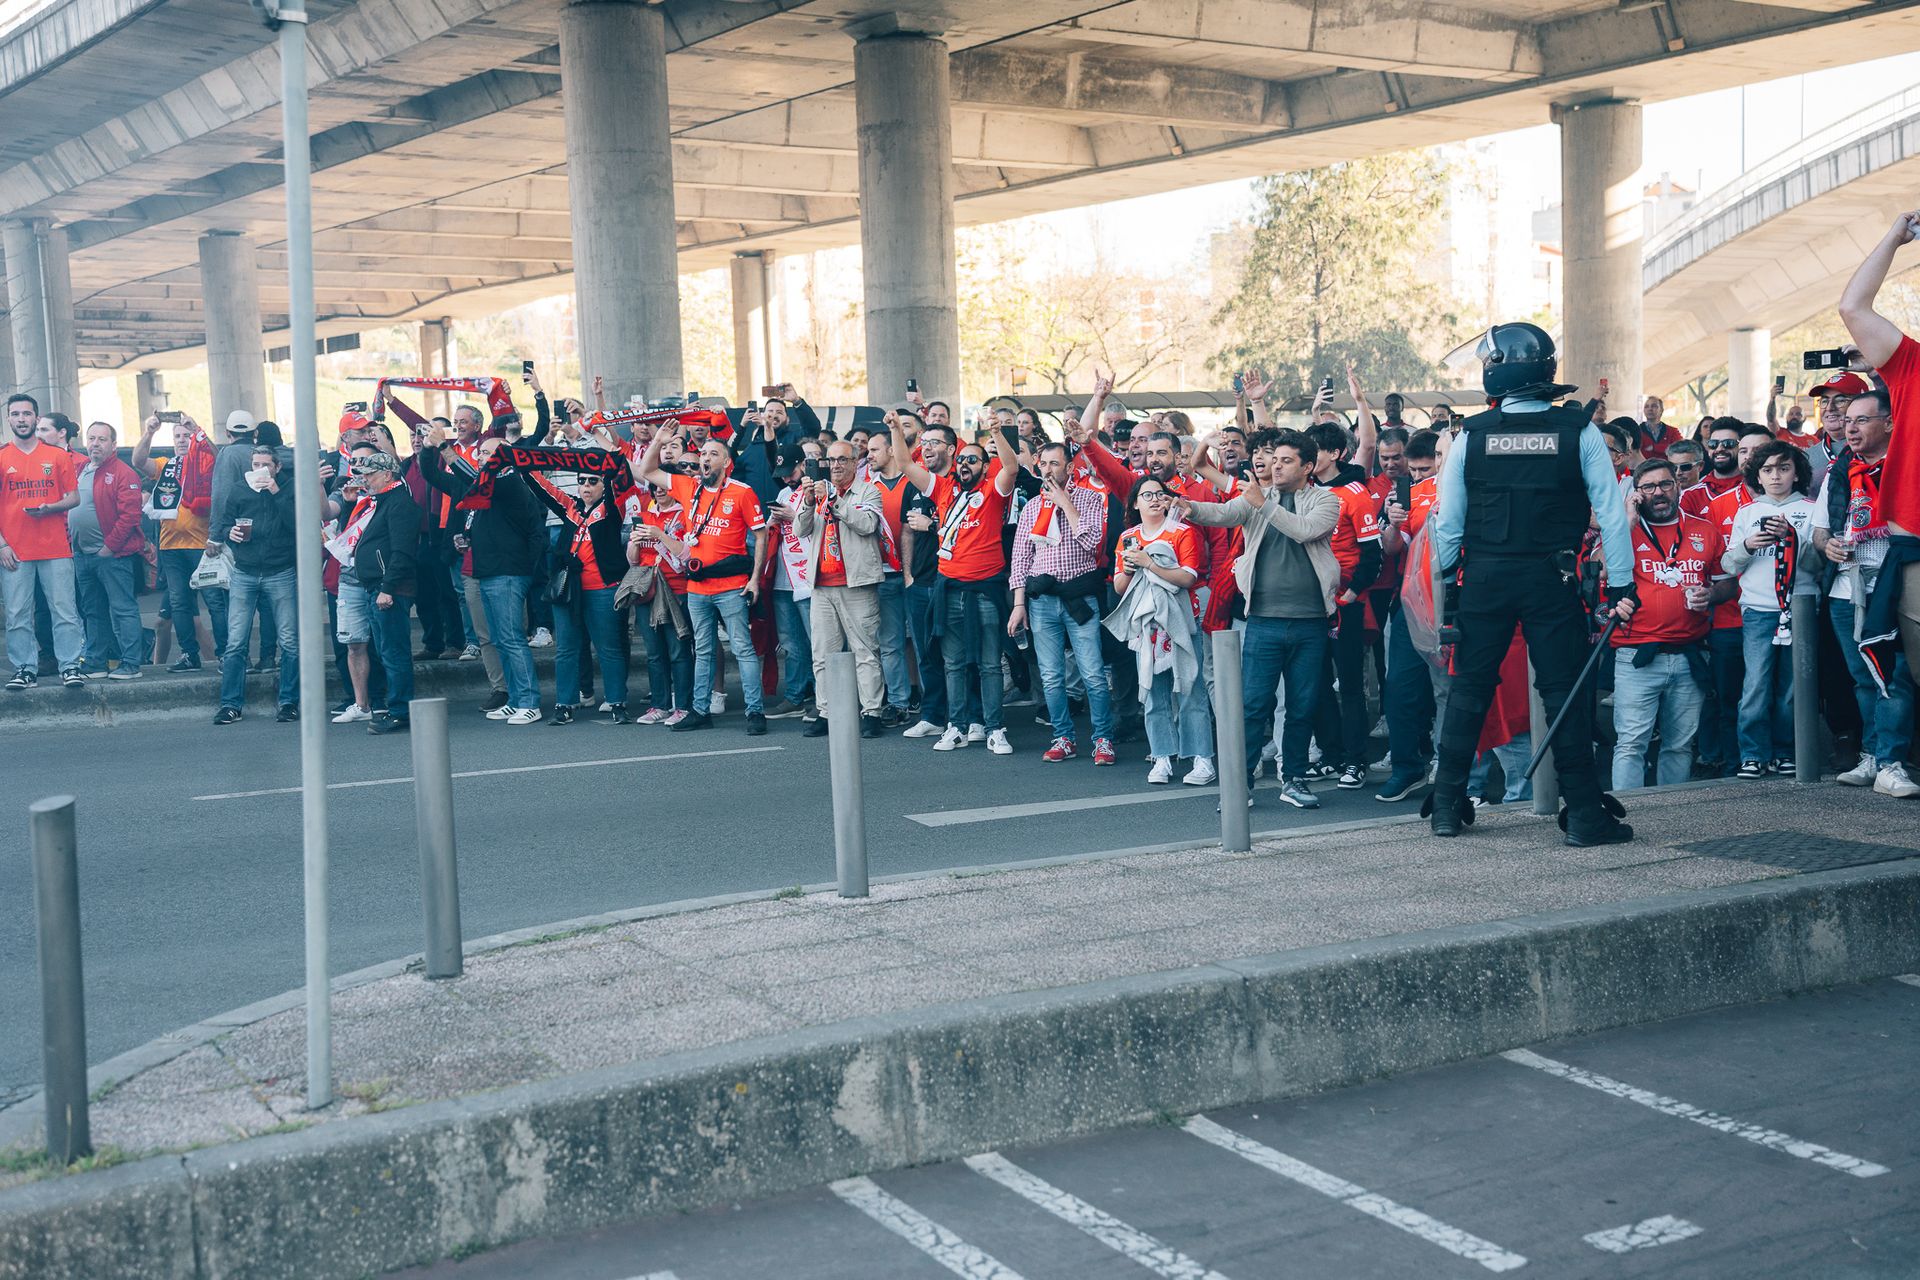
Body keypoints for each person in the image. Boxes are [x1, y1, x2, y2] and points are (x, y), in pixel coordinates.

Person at [1425, 323, 1635, 844]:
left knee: (1469, 688)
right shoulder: (1580, 430)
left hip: (1486, 578)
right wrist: (1620, 586)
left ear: (1497, 369)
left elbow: (1447, 523)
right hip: (1553, 576)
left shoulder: (1468, 434)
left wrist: (1445, 588)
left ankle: (1448, 806)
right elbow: (1611, 516)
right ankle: (1585, 813)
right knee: (1563, 691)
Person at [1182, 428, 1340, 810]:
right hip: (1263, 620)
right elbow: (1225, 513)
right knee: (1253, 705)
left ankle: (1295, 779)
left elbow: (1305, 531)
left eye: (1287, 461)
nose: (1277, 466)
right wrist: (1191, 508)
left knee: (1302, 706)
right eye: (1275, 460)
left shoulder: (1325, 500)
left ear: (1307, 466)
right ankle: (1241, 786)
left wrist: (1264, 504)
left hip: (1311, 621)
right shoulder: (1259, 495)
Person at [895, 406, 1018, 755]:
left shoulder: (995, 492)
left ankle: (994, 728)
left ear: (984, 467)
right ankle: (957, 726)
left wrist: (994, 433)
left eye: (973, 461)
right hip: (947, 589)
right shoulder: (942, 488)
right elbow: (905, 465)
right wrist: (894, 429)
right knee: (953, 662)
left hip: (985, 589)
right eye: (961, 460)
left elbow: (1010, 467)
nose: (965, 465)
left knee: (990, 663)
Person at [1813, 389, 1918, 798]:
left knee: (1895, 676)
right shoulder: (1840, 471)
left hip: (1901, 587)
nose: (1850, 428)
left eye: (1862, 420)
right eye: (1848, 420)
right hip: (1846, 588)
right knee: (1862, 677)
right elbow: (1820, 530)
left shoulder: (1910, 465)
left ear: (1889, 423)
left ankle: (1892, 763)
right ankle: (1872, 755)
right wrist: (1828, 546)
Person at [634, 430, 770, 734]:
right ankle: (699, 710)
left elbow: (761, 534)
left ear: (726, 462)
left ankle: (755, 712)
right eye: (703, 453)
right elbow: (646, 471)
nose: (705, 458)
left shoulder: (742, 492)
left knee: (743, 649)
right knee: (704, 651)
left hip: (732, 586)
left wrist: (755, 580)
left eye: (712, 454)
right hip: (697, 587)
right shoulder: (688, 487)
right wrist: (658, 440)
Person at [1608, 458, 1726, 790]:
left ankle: (1670, 813)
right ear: (1636, 494)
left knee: (1679, 745)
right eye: (1648, 487)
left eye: (1664, 484)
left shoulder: (1704, 529)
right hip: (1636, 655)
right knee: (1631, 743)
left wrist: (1711, 594)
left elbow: (1727, 582)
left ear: (1677, 486)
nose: (1657, 492)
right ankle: (1626, 809)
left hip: (1690, 654)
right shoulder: (1625, 531)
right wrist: (1627, 522)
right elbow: (1599, 569)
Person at [419, 427, 548, 724]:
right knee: (500, 640)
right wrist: (428, 448)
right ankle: (515, 699)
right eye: (480, 453)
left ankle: (529, 701)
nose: (481, 457)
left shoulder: (512, 481)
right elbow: (432, 476)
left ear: (507, 458)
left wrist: (445, 448)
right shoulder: (480, 484)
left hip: (509, 572)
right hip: (485, 570)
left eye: (489, 453)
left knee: (512, 638)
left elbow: (475, 479)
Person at [1009, 439, 1113, 765]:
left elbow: (1092, 541)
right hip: (1043, 600)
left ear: (1070, 468)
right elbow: (1021, 559)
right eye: (1044, 464)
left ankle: (1103, 739)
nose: (1049, 470)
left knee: (1093, 672)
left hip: (1079, 596)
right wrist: (1018, 603)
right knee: (1051, 676)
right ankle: (1063, 737)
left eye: (1056, 464)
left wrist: (1065, 502)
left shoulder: (1091, 500)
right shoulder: (1031, 507)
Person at [1722, 442, 1819, 777]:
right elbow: (1728, 562)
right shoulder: (1748, 513)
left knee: (1792, 688)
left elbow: (1819, 564)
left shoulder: (1811, 508)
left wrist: (1794, 538)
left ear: (1797, 473)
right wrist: (1748, 545)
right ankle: (1752, 752)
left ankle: (1786, 750)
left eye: (1784, 468)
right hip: (1759, 610)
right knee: (1756, 685)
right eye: (1767, 470)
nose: (1776, 476)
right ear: (1757, 476)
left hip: (1801, 609)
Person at [1111, 477, 1214, 784]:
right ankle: (1162, 757)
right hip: (1147, 626)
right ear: (1135, 504)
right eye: (1147, 495)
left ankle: (1202, 759)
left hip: (1183, 621)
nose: (1155, 499)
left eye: (1160, 494)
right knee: (1154, 695)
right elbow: (1119, 586)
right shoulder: (1128, 537)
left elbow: (1187, 577)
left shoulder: (1183, 532)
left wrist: (1149, 563)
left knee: (1190, 690)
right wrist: (1130, 569)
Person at [525, 464, 632, 726]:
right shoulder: (571, 507)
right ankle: (565, 704)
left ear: (603, 485)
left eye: (592, 481)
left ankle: (617, 702)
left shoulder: (612, 507)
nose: (585, 486)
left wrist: (609, 460)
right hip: (567, 590)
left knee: (608, 648)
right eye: (581, 481)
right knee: (566, 650)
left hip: (603, 589)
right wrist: (521, 462)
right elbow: (543, 488)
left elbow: (623, 479)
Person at [795, 440, 888, 738]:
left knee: (865, 651)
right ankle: (826, 711)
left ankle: (872, 711)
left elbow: (867, 524)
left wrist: (834, 501)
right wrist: (809, 502)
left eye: (842, 460)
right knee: (822, 653)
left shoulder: (869, 490)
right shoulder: (817, 491)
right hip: (821, 586)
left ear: (854, 461)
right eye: (830, 460)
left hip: (856, 583)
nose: (835, 465)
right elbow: (800, 530)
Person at [330, 448, 419, 734]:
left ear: (388, 474)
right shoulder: (377, 501)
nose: (365, 479)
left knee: (394, 652)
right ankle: (396, 708)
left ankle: (400, 710)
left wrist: (388, 588)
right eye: (364, 474)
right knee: (386, 650)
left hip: (387, 589)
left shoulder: (398, 502)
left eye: (370, 474)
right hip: (376, 586)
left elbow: (402, 551)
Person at [0, 392, 85, 690]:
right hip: (15, 550)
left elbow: (74, 498)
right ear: (8, 418)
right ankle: (25, 668)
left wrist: (51, 508)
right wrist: (2, 545)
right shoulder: (1, 456)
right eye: (15, 414)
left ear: (36, 418)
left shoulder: (58, 456)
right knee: (17, 613)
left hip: (55, 547)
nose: (21, 419)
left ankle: (70, 666)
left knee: (64, 610)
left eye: (26, 414)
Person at [211, 444, 301, 724]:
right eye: (255, 465)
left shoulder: (289, 487)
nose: (259, 470)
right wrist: (231, 533)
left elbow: (297, 524)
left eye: (265, 465)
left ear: (277, 467)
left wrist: (276, 491)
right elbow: (226, 524)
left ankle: (288, 702)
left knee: (289, 641)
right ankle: (230, 704)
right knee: (236, 641)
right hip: (245, 570)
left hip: (280, 569)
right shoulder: (240, 489)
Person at [132, 412, 221, 671]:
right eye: (178, 436)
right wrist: (149, 432)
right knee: (180, 604)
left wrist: (199, 429)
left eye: (187, 436)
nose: (182, 440)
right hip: (171, 547)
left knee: (214, 601)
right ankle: (189, 655)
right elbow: (138, 460)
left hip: (204, 546)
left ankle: (226, 653)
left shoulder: (206, 462)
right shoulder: (165, 464)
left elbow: (219, 460)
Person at [68, 422, 148, 679]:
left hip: (113, 557)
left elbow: (131, 516)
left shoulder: (124, 473)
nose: (95, 443)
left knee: (123, 609)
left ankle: (131, 664)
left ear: (113, 445)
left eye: (102, 439)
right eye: (91, 438)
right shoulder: (80, 469)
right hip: (82, 555)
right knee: (93, 610)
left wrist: (109, 547)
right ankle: (95, 662)